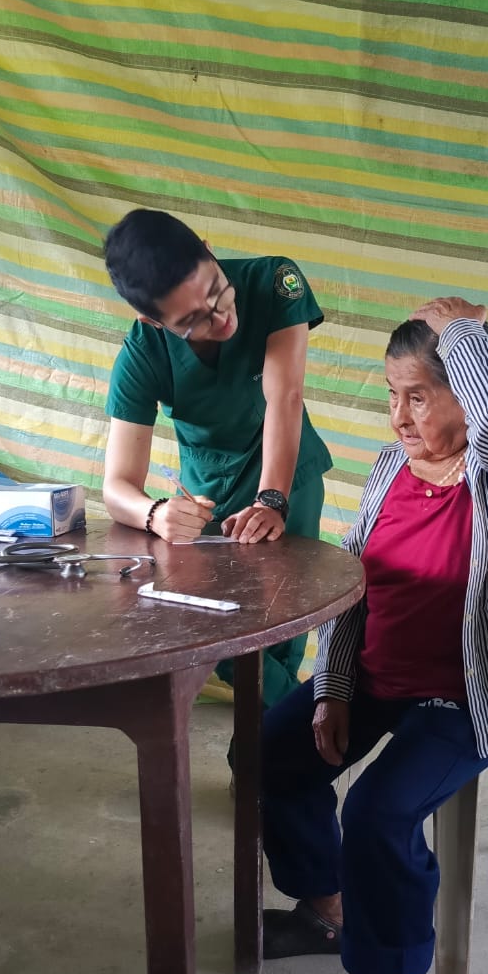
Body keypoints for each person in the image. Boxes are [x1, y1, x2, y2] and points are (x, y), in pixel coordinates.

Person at [259, 296, 488, 974]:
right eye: (392, 394)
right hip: (377, 678)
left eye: (419, 396)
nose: (398, 416)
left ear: (468, 391)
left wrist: (464, 334)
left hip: (462, 700)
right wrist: (333, 687)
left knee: (378, 813)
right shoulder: (391, 467)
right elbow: (356, 582)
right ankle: (327, 911)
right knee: (271, 752)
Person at [102, 209, 332, 709]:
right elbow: (116, 486)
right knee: (209, 623)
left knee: (280, 625)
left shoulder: (276, 281)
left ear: (208, 249)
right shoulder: (142, 353)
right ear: (152, 320)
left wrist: (272, 500)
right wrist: (155, 513)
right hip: (207, 492)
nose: (220, 317)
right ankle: (295, 728)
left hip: (286, 474)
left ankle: (268, 744)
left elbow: (285, 397)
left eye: (217, 292)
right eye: (192, 321)